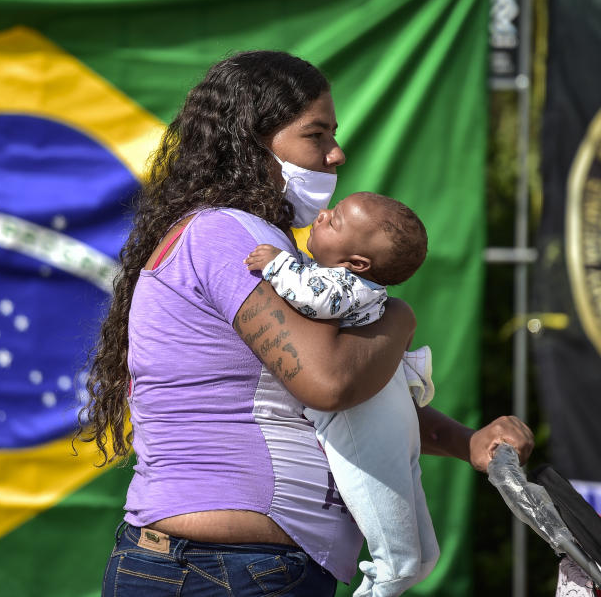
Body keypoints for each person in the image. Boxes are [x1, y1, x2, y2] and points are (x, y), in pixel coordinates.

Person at [79, 50, 534, 597]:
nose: (336, 155)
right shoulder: (232, 236)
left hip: (216, 566)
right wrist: (398, 316)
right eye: (315, 135)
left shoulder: (233, 238)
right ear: (252, 141)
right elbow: (330, 383)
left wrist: (466, 442)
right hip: (227, 569)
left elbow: (363, 405)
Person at [244, 191, 439, 597]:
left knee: (394, 556)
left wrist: (277, 265)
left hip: (364, 419)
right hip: (392, 412)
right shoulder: (359, 285)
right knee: (415, 540)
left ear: (357, 264)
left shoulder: (346, 286)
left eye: (334, 221)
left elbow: (315, 300)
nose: (321, 215)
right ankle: (417, 563)